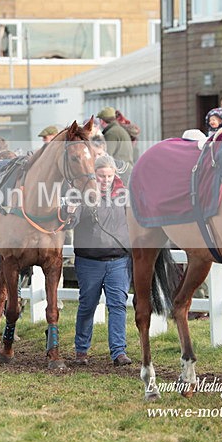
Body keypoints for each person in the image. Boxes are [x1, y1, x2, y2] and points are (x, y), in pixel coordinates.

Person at [69, 154, 132, 367]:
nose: (105, 179)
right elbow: (72, 220)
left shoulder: (124, 195)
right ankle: (81, 350)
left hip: (119, 260)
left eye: (109, 175)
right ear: (94, 175)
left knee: (118, 306)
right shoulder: (83, 196)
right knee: (88, 305)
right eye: (101, 175)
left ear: (115, 174)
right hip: (89, 261)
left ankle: (118, 351)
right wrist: (69, 211)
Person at [96, 107, 134, 183]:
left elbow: (105, 156)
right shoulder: (119, 130)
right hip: (125, 172)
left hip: (120, 175)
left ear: (102, 121)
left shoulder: (111, 133)